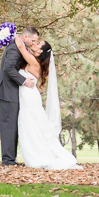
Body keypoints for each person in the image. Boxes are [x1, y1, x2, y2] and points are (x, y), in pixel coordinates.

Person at [14, 35, 82, 170]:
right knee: (32, 126)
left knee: (30, 125)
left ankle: (36, 157)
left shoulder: (34, 62)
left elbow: (21, 46)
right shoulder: (34, 60)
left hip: (29, 97)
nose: (35, 44)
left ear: (40, 52)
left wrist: (11, 33)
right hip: (28, 95)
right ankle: (35, 154)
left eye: (38, 44)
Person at [0, 26, 39, 165]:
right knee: (9, 126)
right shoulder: (14, 48)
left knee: (13, 125)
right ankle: (8, 160)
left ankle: (10, 158)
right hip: (8, 92)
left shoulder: (19, 47)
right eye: (32, 40)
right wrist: (24, 81)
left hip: (12, 92)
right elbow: (8, 68)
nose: (33, 43)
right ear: (25, 37)